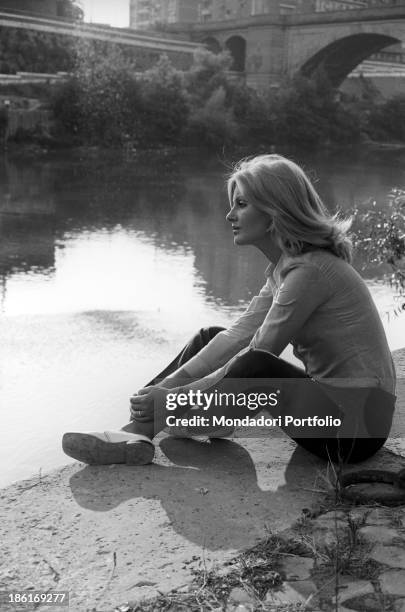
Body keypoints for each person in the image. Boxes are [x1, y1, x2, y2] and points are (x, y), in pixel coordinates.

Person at [62, 154, 396, 466]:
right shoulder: (287, 268)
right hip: (332, 410)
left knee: (257, 363)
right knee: (211, 336)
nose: (229, 215)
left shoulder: (310, 272)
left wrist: (173, 398)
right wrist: (168, 389)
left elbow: (260, 353)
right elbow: (238, 335)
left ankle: (166, 424)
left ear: (274, 211)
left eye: (241, 204)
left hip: (355, 429)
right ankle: (139, 431)